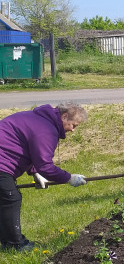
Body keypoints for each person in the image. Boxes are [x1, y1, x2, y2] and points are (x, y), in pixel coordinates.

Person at [0, 103, 88, 251]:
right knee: (10, 198)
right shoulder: (47, 130)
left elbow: (30, 148)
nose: (72, 130)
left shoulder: (39, 119)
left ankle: (8, 241)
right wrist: (68, 178)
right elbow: (46, 166)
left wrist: (35, 172)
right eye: (73, 125)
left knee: (5, 198)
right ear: (64, 116)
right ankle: (15, 245)